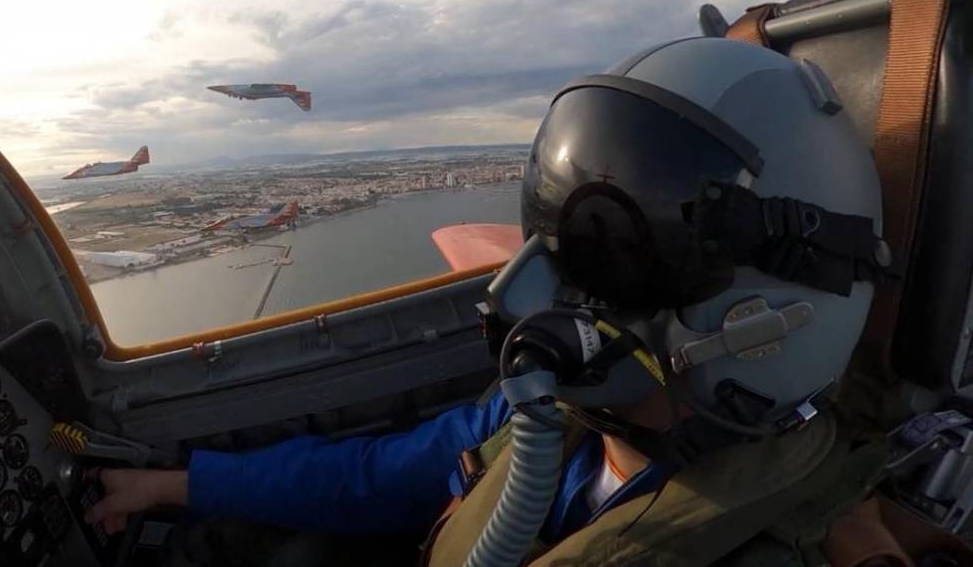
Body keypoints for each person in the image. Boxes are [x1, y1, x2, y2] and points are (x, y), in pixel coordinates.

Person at [87, 38, 906, 566]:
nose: (527, 292)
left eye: (614, 255)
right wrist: (174, 485)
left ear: (766, 327)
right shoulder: (549, 424)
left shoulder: (774, 544)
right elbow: (377, 476)